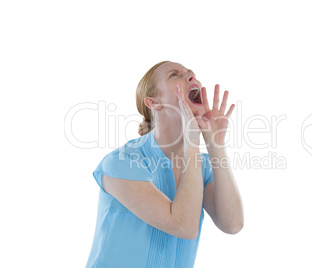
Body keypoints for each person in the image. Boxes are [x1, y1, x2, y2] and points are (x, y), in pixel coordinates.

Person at [86, 61, 244, 268]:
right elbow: (183, 225)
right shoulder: (122, 162)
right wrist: (192, 143)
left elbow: (232, 224)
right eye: (174, 75)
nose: (191, 77)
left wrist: (216, 144)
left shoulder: (203, 166)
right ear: (153, 103)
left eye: (191, 74)